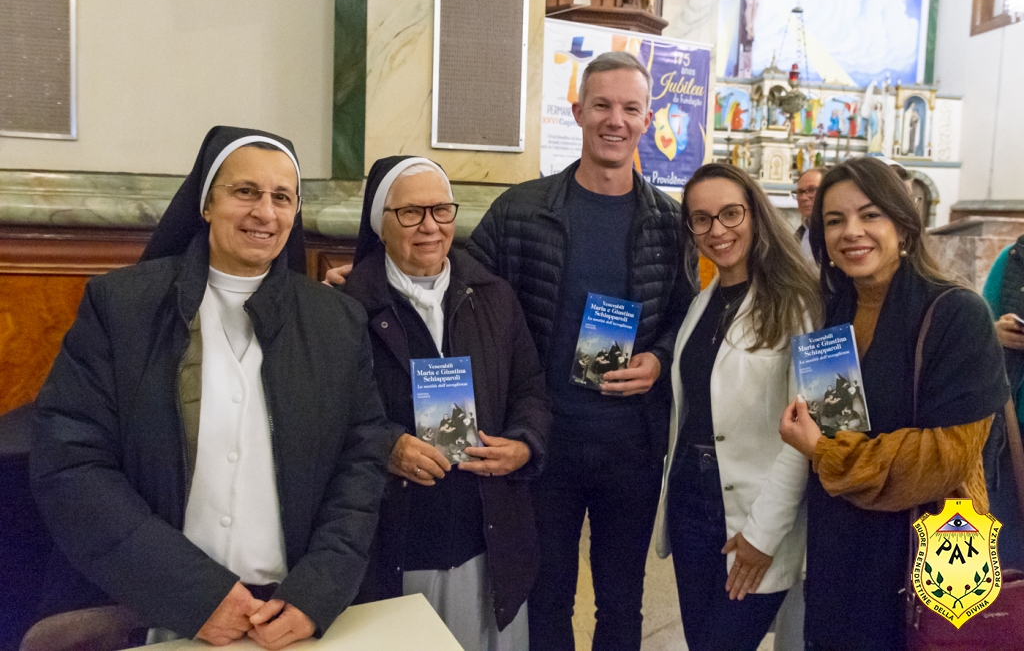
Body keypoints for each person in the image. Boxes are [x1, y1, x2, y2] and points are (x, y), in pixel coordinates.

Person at [30, 127, 391, 649]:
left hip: (288, 617)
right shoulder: (121, 309)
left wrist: (318, 590)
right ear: (206, 203)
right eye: (245, 191)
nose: (265, 212)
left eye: (282, 197)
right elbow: (72, 461)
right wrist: (192, 593)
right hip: (157, 609)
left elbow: (361, 461)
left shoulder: (337, 321)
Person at [465, 51, 695, 651]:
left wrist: (660, 358)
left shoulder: (670, 223)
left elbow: (688, 315)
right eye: (602, 106)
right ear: (578, 112)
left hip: (632, 447)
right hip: (547, 443)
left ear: (647, 120)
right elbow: (462, 291)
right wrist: (366, 285)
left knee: (621, 602)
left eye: (630, 108)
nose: (615, 120)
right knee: (547, 599)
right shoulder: (520, 210)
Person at [779, 156, 1008, 650]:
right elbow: (837, 420)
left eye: (870, 215)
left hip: (930, 551)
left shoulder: (956, 313)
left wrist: (824, 452)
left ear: (903, 225)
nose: (851, 232)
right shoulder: (831, 311)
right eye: (834, 220)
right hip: (841, 546)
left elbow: (944, 458)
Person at [342, 156, 551, 651]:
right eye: (410, 213)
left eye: (441, 210)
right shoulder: (346, 306)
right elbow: (327, 417)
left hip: (487, 539)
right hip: (397, 542)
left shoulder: (493, 296)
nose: (430, 226)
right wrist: (387, 446)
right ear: (380, 224)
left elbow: (530, 389)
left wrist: (524, 445)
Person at [652, 163, 819, 651]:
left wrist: (763, 534)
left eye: (730, 213)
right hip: (690, 502)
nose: (717, 230)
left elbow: (807, 435)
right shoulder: (702, 303)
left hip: (754, 510)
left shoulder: (797, 303)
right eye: (701, 219)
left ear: (756, 213)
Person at [981, 235, 1024, 569]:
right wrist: (995, 332)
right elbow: (977, 330)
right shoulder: (1011, 260)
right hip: (1011, 431)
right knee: (1008, 552)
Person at [792, 167, 823, 261]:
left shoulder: (834, 233)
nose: (803, 198)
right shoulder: (800, 234)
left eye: (812, 190)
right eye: (800, 192)